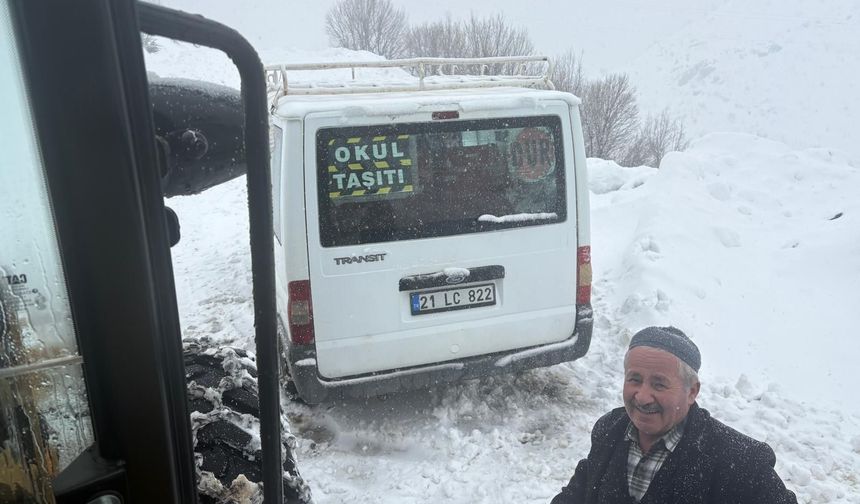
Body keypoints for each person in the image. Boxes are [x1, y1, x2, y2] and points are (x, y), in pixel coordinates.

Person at [551, 326, 797, 504]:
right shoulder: (609, 429)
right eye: (634, 380)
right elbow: (582, 490)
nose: (643, 396)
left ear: (692, 392)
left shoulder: (742, 463)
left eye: (659, 384)